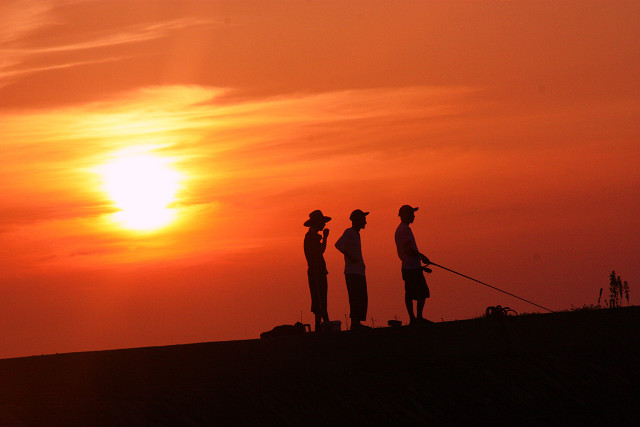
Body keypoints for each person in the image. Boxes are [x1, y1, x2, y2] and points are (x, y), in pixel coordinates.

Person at [394, 205, 432, 325]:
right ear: (405, 215)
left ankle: (415, 319)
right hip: (411, 267)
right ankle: (417, 318)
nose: (414, 216)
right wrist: (422, 256)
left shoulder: (403, 229)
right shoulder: (404, 229)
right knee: (420, 293)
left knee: (412, 293)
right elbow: (407, 249)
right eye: (411, 214)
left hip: (410, 267)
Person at [335, 209, 371, 330]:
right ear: (357, 220)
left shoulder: (355, 233)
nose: (365, 222)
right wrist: (350, 256)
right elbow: (338, 244)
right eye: (363, 219)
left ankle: (357, 323)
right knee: (356, 297)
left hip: (358, 271)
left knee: (361, 297)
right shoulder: (349, 232)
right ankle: (355, 324)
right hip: (353, 272)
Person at [303, 210, 331, 331]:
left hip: (317, 271)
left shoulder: (312, 237)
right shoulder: (310, 237)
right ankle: (322, 325)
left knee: (320, 299)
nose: (324, 225)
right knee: (319, 300)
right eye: (322, 222)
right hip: (316, 272)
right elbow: (320, 250)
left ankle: (322, 325)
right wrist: (325, 238)